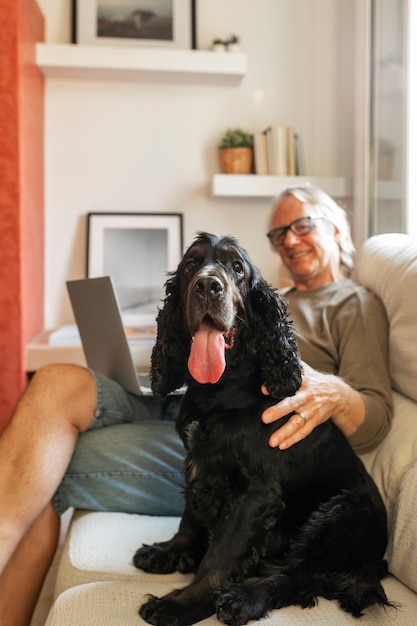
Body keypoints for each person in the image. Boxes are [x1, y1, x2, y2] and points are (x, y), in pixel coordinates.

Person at [0, 184, 392, 626]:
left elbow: (376, 415)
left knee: (41, 462)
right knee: (55, 381)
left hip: (249, 431)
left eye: (302, 225)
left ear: (339, 230)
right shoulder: (261, 289)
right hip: (193, 401)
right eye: (279, 232)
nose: (289, 239)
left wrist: (330, 390)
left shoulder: (351, 303)